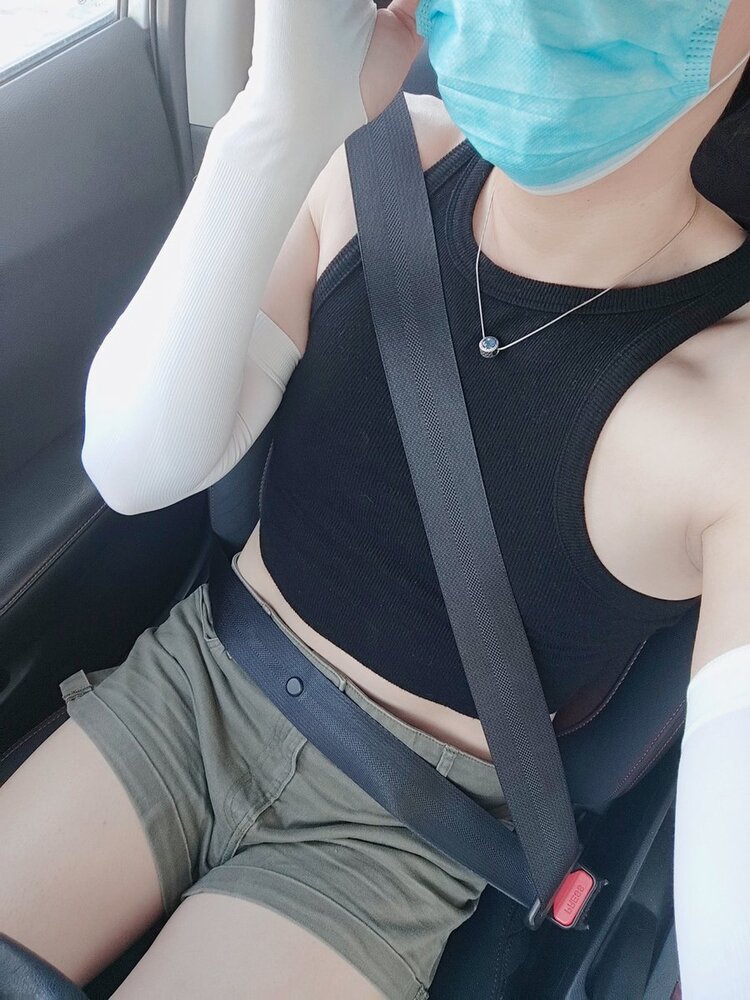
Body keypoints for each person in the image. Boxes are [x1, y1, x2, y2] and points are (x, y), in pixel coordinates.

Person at [1, 1, 749, 997]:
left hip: (399, 823)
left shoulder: (731, 404)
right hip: (195, 679)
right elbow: (136, 466)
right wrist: (278, 122)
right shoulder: (374, 162)